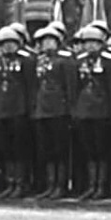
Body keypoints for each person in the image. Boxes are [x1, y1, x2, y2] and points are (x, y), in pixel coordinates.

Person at [0, 26, 36, 200]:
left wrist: (30, 109)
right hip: (2, 110)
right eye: (5, 44)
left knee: (19, 149)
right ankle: (10, 182)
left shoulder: (27, 61)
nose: (8, 47)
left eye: (12, 43)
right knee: (6, 149)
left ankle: (21, 183)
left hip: (19, 109)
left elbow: (31, 87)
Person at [72, 26, 111, 201]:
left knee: (101, 150)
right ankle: (92, 185)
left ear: (101, 44)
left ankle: (102, 185)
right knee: (89, 150)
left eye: (94, 43)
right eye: (87, 43)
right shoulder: (80, 61)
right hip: (85, 110)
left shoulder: (109, 61)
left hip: (102, 111)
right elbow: (76, 87)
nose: (90, 46)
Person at [31, 24, 75, 200]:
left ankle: (61, 184)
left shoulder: (65, 60)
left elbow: (70, 87)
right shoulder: (40, 60)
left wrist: (70, 110)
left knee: (60, 150)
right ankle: (51, 184)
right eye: (44, 41)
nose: (47, 44)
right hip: (43, 110)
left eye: (51, 40)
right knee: (47, 150)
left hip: (59, 110)